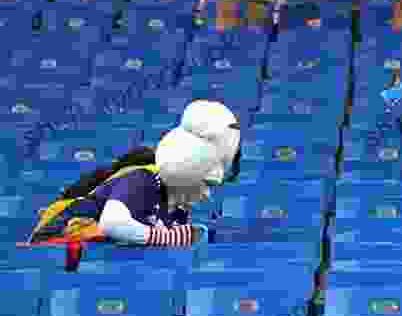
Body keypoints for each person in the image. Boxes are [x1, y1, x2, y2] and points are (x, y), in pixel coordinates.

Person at [25, 100, 242, 247]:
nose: (207, 194)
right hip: (53, 243)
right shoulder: (142, 179)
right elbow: (113, 223)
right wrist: (169, 237)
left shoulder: (178, 206)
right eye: (204, 183)